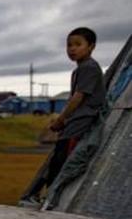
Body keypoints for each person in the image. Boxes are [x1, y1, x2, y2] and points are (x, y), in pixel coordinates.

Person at [20, 27, 106, 207]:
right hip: (74, 122)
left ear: (91, 47)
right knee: (58, 158)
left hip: (82, 122)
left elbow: (78, 97)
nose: (72, 49)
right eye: (69, 45)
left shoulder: (89, 67)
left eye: (78, 44)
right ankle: (47, 195)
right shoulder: (80, 69)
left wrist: (61, 119)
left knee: (63, 160)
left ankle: (51, 198)